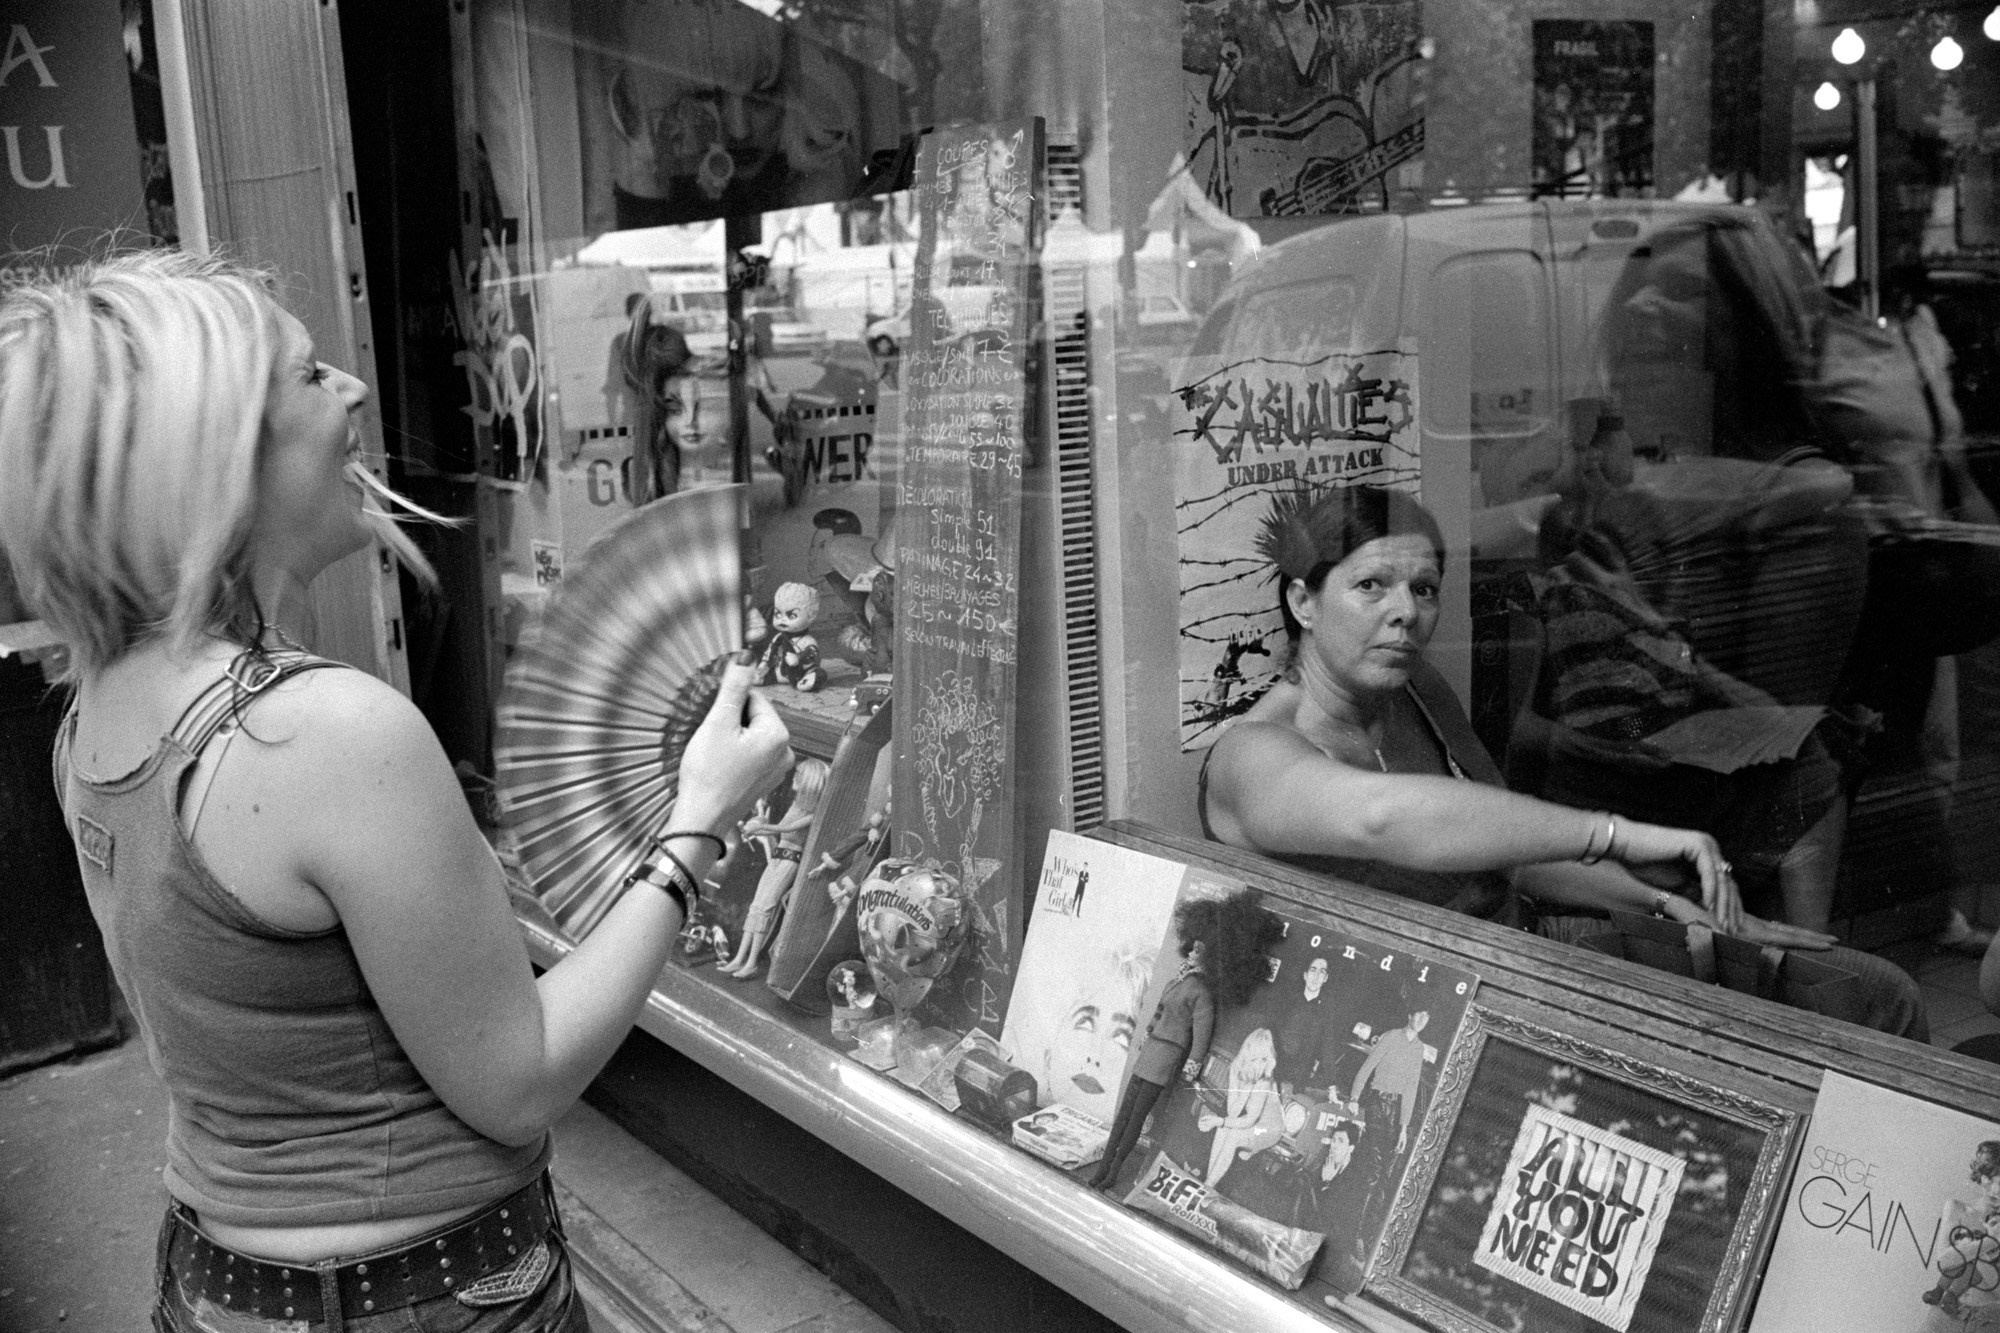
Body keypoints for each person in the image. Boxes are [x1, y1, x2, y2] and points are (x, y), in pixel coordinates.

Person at [0, 251, 794, 1332]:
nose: (354, 390)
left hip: (216, 1286)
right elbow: (520, 1076)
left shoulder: (97, 705)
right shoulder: (323, 733)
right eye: (310, 375)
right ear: (219, 456)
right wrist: (698, 822)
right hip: (418, 1296)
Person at [1200, 483, 1927, 1040]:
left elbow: (1508, 850)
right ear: (1302, 599)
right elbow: (1379, 818)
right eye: (1371, 586)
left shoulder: (1416, 689)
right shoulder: (1251, 754)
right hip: (1428, 1016)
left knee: (1873, 992)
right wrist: (1616, 832)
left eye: (1423, 589)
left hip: (1529, 953)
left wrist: (1666, 905)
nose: (1406, 613)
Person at [1088, 890, 1280, 1190]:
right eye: (1191, 946)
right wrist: (1149, 1032)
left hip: (1166, 1058)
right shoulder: (1179, 981)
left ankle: (1114, 1172)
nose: (1190, 951)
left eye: (1198, 948)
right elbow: (1159, 1011)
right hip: (1150, 1053)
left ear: (1211, 954)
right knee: (1124, 1116)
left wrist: (1191, 1066)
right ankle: (1103, 1168)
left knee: (1136, 1120)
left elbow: (1200, 1039)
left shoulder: (1201, 993)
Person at [722, 756, 828, 978]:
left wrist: (759, 828)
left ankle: (751, 963)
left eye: (800, 774)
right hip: (779, 858)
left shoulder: (813, 813)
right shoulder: (797, 804)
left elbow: (783, 828)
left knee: (764, 908)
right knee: (756, 906)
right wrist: (758, 827)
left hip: (789, 861)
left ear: (810, 779)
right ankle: (739, 959)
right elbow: (778, 830)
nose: (795, 777)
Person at [1198, 1028, 1285, 1191]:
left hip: (1267, 1129)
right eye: (1255, 1059)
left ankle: (1208, 1186)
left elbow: (1250, 1120)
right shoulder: (1236, 1068)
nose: (1260, 1065)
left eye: (1264, 1059)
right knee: (1223, 1130)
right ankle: (1208, 1184)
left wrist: (1220, 1121)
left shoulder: (1265, 1081)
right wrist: (1246, 1088)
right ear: (1247, 1056)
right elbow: (1233, 1112)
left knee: (1232, 1133)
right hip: (1252, 1124)